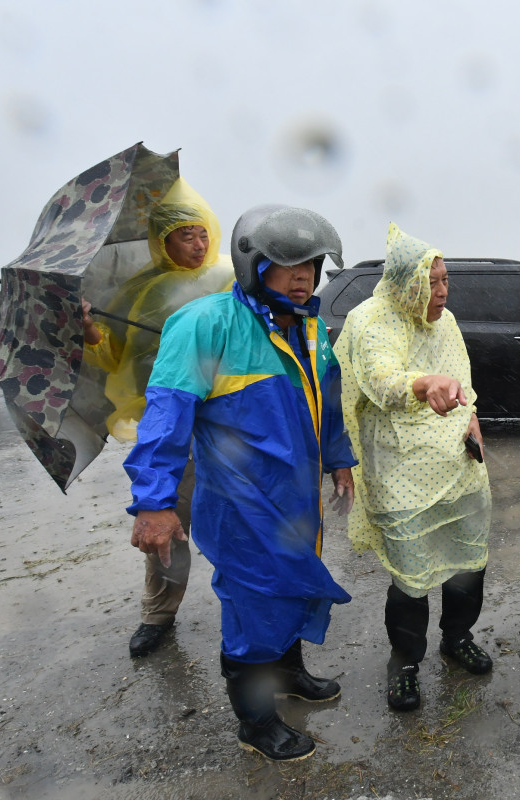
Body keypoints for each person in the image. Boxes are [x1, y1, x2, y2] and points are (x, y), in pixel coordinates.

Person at [123, 205, 356, 762]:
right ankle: (254, 720)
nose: (304, 275)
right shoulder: (207, 324)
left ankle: (287, 670)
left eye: (313, 264)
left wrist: (337, 458)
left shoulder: (311, 327)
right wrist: (153, 502)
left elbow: (327, 405)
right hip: (241, 503)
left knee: (297, 583)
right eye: (288, 263)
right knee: (254, 602)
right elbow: (166, 415)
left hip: (298, 498)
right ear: (253, 263)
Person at [333, 223, 492, 713]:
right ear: (406, 284)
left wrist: (473, 421)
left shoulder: (447, 322)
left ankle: (457, 636)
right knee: (411, 573)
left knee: (468, 561)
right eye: (432, 282)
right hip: (400, 471)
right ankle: (404, 662)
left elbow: (463, 381)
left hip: (456, 465)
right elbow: (382, 380)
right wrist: (425, 384)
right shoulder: (370, 321)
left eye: (445, 281)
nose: (441, 292)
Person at [81, 179, 234, 658]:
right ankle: (158, 614)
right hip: (172, 426)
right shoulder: (140, 295)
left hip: (230, 423)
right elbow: (118, 360)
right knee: (170, 520)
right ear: (161, 241)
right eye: (185, 235)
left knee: (244, 519)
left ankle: (251, 610)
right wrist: (91, 332)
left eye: (202, 232)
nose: (198, 244)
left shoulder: (232, 280)